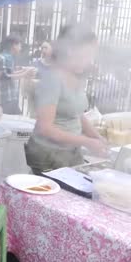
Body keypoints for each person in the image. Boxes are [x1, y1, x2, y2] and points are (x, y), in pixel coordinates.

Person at [25, 25, 107, 174]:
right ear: (69, 50)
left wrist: (97, 137)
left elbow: (77, 113)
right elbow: (45, 128)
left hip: (70, 153)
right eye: (86, 55)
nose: (89, 61)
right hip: (48, 156)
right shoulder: (52, 79)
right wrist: (87, 142)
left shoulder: (76, 77)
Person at [0, 35, 36, 114]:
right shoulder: (5, 58)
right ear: (14, 45)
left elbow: (10, 73)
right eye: (19, 45)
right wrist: (25, 73)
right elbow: (6, 77)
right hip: (6, 97)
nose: (20, 48)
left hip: (10, 96)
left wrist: (23, 71)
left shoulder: (7, 57)